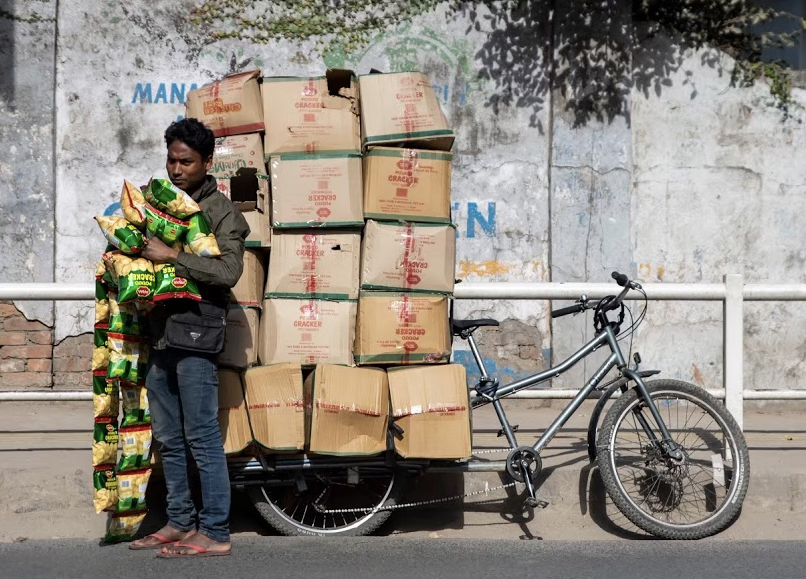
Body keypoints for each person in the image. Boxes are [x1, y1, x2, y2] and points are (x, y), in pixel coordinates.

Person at [129, 118, 249, 557]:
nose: (176, 170)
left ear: (207, 163)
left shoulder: (220, 213)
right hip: (159, 333)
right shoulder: (160, 206)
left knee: (200, 435)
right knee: (167, 436)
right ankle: (179, 521)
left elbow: (229, 272)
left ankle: (215, 530)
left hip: (197, 332)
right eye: (171, 160)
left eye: (187, 162)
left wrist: (173, 255)